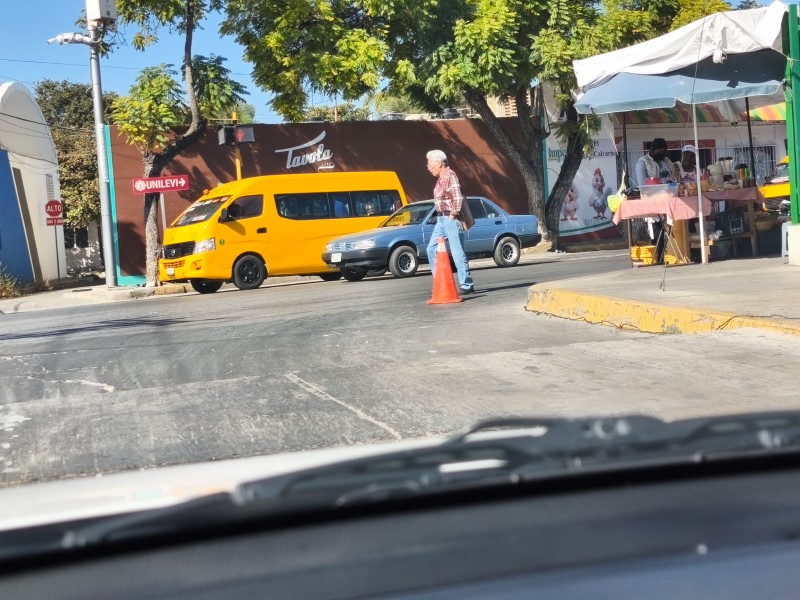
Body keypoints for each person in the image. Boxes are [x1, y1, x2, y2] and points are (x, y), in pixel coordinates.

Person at [425, 149, 474, 294]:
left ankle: (466, 284)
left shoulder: (450, 175)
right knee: (431, 249)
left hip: (450, 219)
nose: (428, 168)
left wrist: (453, 214)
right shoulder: (441, 179)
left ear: (439, 163)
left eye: (430, 165)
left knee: (458, 252)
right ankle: (440, 281)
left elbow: (458, 196)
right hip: (441, 220)